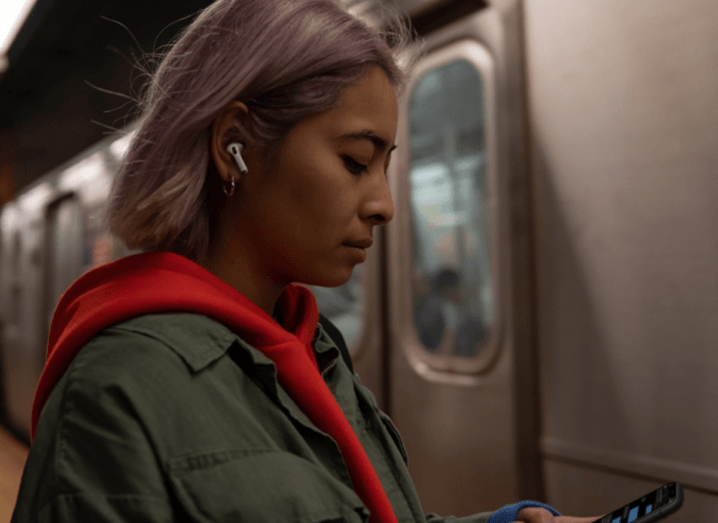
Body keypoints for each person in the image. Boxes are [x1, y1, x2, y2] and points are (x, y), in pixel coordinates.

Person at [11, 1, 598, 522]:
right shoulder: (118, 389)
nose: (384, 206)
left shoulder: (313, 352)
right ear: (234, 145)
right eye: (354, 161)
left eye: (385, 166)